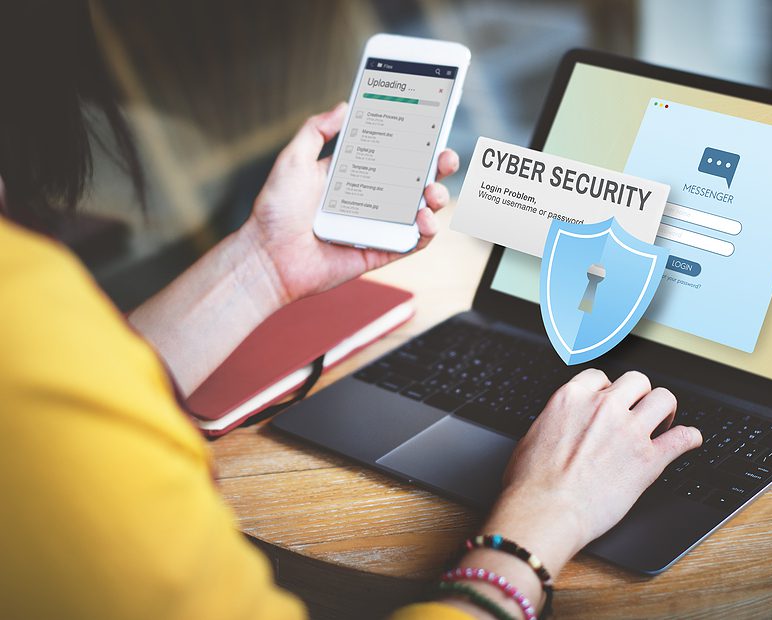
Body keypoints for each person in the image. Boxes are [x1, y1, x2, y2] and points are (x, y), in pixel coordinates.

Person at [0, 4, 702, 619]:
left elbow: (80, 377)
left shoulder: (31, 308)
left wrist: (263, 264)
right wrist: (546, 515)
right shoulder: (25, 323)